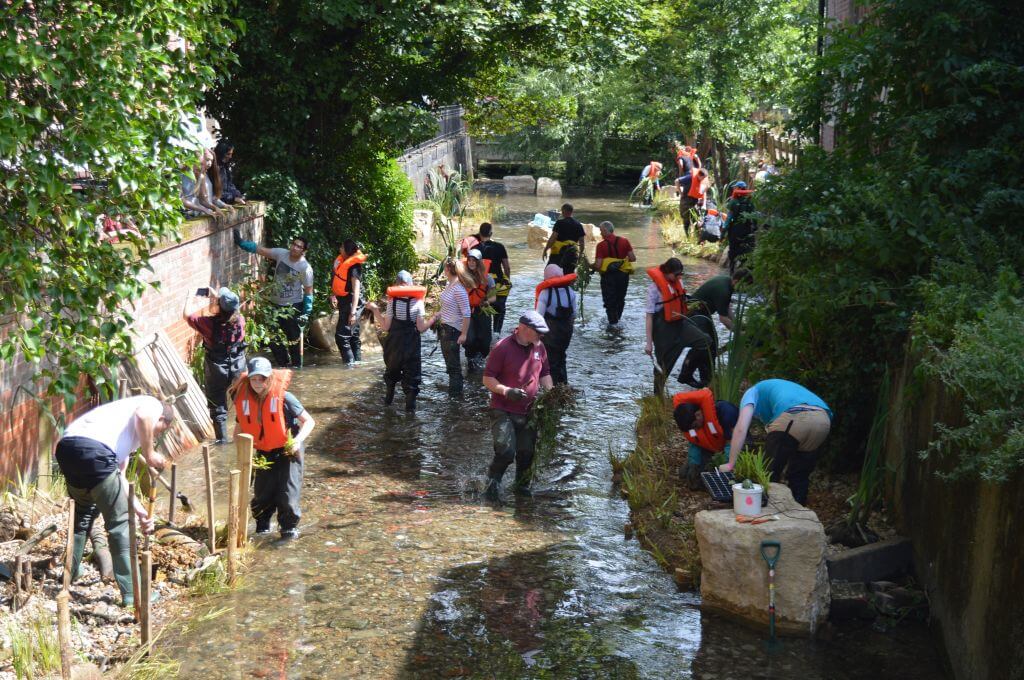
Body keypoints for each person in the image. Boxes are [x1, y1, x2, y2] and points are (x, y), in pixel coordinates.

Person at [55, 395, 172, 608]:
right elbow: (144, 415)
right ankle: (134, 595)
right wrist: (150, 452)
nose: (155, 435)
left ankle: (69, 573)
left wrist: (141, 512)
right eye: (159, 430)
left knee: (83, 514)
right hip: (94, 452)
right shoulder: (152, 405)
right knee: (119, 526)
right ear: (162, 418)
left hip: (67, 450)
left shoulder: (119, 435)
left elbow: (118, 482)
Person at [231, 357, 315, 539]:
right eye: (254, 379)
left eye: (262, 379)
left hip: (288, 450)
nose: (258, 383)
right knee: (262, 496)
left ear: (269, 378)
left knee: (288, 495)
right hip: (263, 452)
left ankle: (288, 531)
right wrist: (242, 458)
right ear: (248, 380)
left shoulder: (285, 398)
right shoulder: (244, 400)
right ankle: (262, 528)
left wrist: (298, 440)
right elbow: (238, 432)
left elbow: (309, 422)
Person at [719, 379, 833, 505]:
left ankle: (765, 512)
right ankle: (798, 511)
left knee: (768, 473)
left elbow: (741, 429)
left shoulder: (751, 392)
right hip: (823, 420)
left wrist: (730, 464)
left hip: (794, 415)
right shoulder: (785, 388)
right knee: (799, 475)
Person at [481, 311, 555, 499]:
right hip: (502, 408)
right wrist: (507, 391)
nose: (541, 336)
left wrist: (551, 394)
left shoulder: (540, 347)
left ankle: (521, 488)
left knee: (527, 453)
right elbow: (487, 378)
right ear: (524, 329)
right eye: (538, 331)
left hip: (529, 410)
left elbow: (545, 374)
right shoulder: (502, 347)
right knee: (506, 451)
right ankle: (491, 484)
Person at [233, 231, 314, 368]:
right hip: (274, 304)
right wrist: (242, 243)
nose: (295, 248)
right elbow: (260, 250)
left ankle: (296, 367)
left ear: (304, 251)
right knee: (271, 336)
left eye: (299, 246)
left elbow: (308, 291)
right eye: (294, 244)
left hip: (293, 307)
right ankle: (283, 363)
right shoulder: (281, 253)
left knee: (293, 340)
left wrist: (306, 312)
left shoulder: (305, 268)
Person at [183, 287, 247, 442]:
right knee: (242, 400)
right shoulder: (240, 320)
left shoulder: (208, 324)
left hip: (217, 368)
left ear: (219, 306)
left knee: (217, 405)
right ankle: (244, 435)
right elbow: (225, 311)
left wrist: (190, 296)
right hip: (238, 366)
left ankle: (222, 441)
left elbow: (186, 315)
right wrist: (217, 299)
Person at [644, 258, 713, 394]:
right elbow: (649, 316)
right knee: (663, 367)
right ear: (667, 272)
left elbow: (682, 302)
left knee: (705, 341)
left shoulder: (678, 282)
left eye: (681, 274)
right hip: (663, 332)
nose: (679, 277)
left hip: (681, 325)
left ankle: (686, 372)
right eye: (676, 274)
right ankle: (657, 398)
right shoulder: (653, 290)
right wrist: (649, 343)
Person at [365, 271, 431, 411]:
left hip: (394, 344)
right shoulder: (418, 302)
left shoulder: (392, 302)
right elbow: (421, 328)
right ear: (410, 284)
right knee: (412, 381)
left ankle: (388, 403)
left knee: (391, 374)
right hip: (411, 345)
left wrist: (375, 310)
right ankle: (410, 415)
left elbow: (386, 327)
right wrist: (434, 318)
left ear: (396, 284)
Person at [672, 388, 740, 489]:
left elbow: (732, 443)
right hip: (713, 446)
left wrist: (726, 464)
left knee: (720, 474)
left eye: (695, 426)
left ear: (698, 415)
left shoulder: (726, 412)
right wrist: (694, 462)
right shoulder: (692, 421)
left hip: (737, 442)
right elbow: (695, 443)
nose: (695, 429)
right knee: (685, 474)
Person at [427, 259, 471, 397]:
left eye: (444, 268)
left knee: (454, 368)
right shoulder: (450, 284)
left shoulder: (458, 288)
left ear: (448, 270)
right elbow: (448, 306)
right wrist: (439, 314)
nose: (443, 271)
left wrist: (463, 334)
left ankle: (455, 399)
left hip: (453, 331)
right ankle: (455, 396)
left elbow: (467, 313)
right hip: (446, 328)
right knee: (450, 366)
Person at [535, 264, 578, 385]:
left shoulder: (545, 293)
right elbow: (574, 314)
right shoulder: (570, 292)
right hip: (566, 332)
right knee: (561, 357)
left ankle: (551, 390)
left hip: (550, 333)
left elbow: (538, 317)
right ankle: (563, 384)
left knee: (550, 361)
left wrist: (536, 335)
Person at [592, 221, 635, 326]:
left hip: (608, 277)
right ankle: (618, 320)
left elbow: (598, 266)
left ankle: (612, 324)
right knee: (620, 298)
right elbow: (633, 258)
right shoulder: (625, 241)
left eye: (601, 231)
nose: (600, 234)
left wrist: (589, 265)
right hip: (623, 276)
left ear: (606, 231)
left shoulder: (601, 245)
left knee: (609, 300)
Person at [331, 239, 367, 364]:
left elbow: (356, 291)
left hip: (353, 302)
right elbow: (338, 281)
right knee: (353, 336)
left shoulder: (354, 267)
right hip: (345, 300)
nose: (340, 249)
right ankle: (356, 364)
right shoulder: (342, 261)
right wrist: (333, 295)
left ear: (347, 251)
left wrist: (353, 313)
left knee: (341, 337)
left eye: (342, 247)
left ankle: (349, 366)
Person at [461, 249, 496, 372]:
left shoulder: (488, 278)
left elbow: (493, 297)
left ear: (479, 262)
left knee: (485, 341)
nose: (471, 263)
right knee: (470, 339)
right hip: (468, 311)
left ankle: (481, 360)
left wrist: (487, 301)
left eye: (474, 260)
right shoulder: (463, 277)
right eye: (469, 260)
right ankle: (470, 360)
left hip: (483, 311)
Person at [476, 223, 512, 335]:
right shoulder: (500, 247)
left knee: (482, 312)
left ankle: (484, 335)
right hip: (498, 284)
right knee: (499, 310)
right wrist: (507, 281)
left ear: (479, 233)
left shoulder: (475, 249)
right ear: (491, 233)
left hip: (482, 284)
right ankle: (496, 334)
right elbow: (507, 267)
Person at [722, 182, 758, 273]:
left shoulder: (733, 201)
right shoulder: (750, 201)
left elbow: (729, 218)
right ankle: (746, 275)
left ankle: (731, 272)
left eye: (735, 188)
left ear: (740, 188)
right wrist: (755, 227)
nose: (734, 189)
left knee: (733, 251)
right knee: (747, 251)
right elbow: (754, 217)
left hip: (735, 230)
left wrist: (723, 231)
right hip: (747, 230)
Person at [543, 203, 585, 274]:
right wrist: (580, 255)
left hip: (559, 254)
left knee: (550, 273)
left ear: (563, 211)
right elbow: (582, 242)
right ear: (572, 212)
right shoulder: (579, 225)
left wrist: (546, 249)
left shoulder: (559, 223)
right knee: (568, 275)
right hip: (573, 253)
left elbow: (553, 238)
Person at [675, 168, 708, 237]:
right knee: (686, 219)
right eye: (702, 178)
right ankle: (687, 236)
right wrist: (680, 193)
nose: (703, 180)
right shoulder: (690, 177)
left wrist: (704, 204)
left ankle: (698, 238)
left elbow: (704, 192)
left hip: (695, 201)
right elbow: (677, 181)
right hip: (686, 200)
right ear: (699, 175)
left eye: (704, 178)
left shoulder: (703, 180)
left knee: (696, 219)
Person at [212, 140, 246, 205]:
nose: (230, 157)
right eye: (228, 154)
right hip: (216, 204)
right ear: (221, 153)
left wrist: (238, 195)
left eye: (231, 154)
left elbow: (229, 184)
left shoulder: (225, 166)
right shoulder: (213, 168)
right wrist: (233, 198)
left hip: (226, 202)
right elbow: (214, 192)